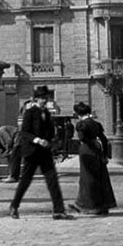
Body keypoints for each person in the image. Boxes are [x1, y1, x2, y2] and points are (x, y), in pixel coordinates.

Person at [10, 86, 75, 220]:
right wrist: (38, 140)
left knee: (52, 180)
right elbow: (24, 132)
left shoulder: (48, 113)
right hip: (32, 152)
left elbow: (50, 131)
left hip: (44, 152)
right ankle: (14, 205)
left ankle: (58, 211)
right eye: (41, 99)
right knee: (25, 180)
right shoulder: (30, 112)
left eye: (46, 98)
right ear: (35, 99)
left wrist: (51, 140)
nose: (44, 101)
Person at [69, 102, 117, 216]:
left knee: (87, 179)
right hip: (98, 153)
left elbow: (82, 138)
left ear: (78, 114)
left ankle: (88, 205)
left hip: (86, 152)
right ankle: (103, 206)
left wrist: (91, 143)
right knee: (101, 178)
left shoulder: (82, 124)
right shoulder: (96, 124)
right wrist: (105, 154)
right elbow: (104, 140)